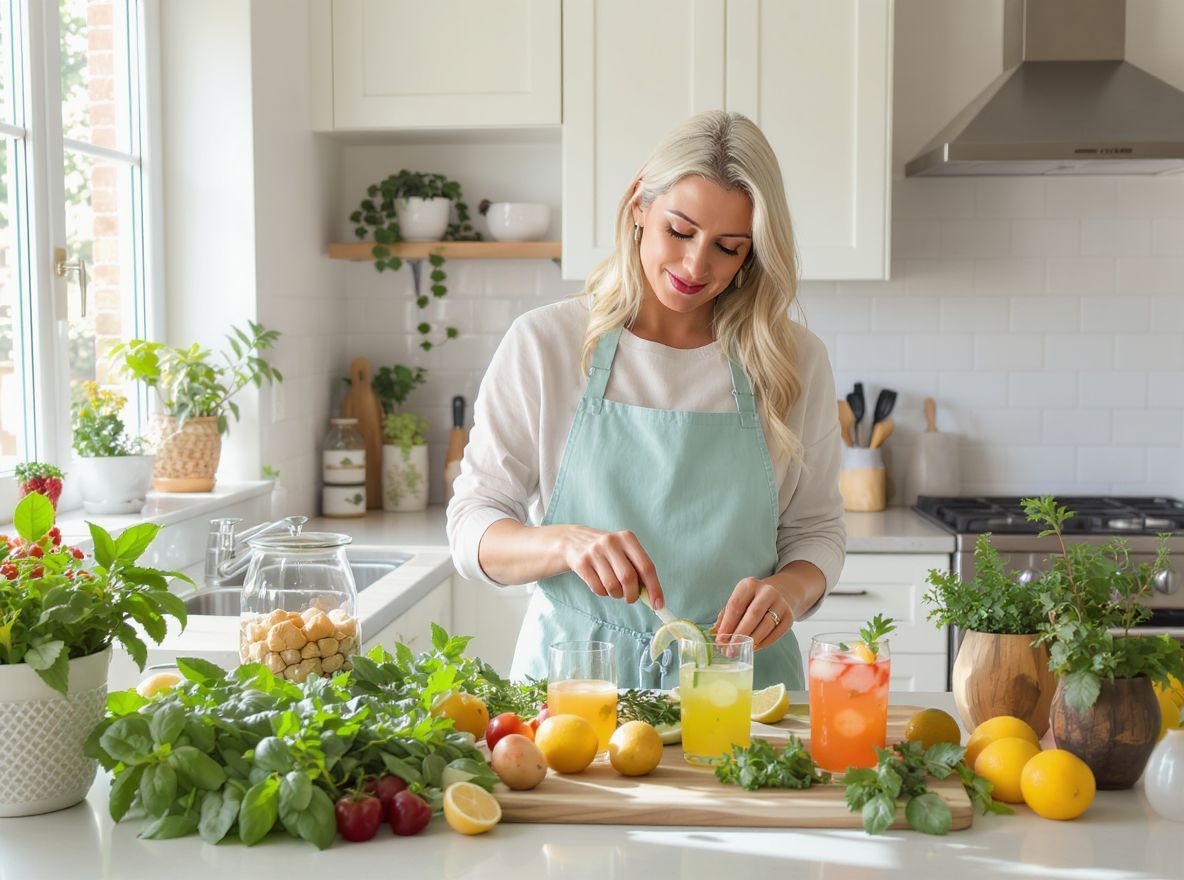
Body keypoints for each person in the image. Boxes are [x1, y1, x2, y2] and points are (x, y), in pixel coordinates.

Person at [447, 110, 845, 690]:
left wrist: (790, 589)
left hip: (739, 685)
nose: (695, 265)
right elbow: (472, 527)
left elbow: (817, 531)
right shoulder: (545, 343)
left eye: (728, 247)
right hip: (575, 685)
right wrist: (563, 543)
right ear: (639, 206)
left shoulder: (792, 360)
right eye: (679, 232)